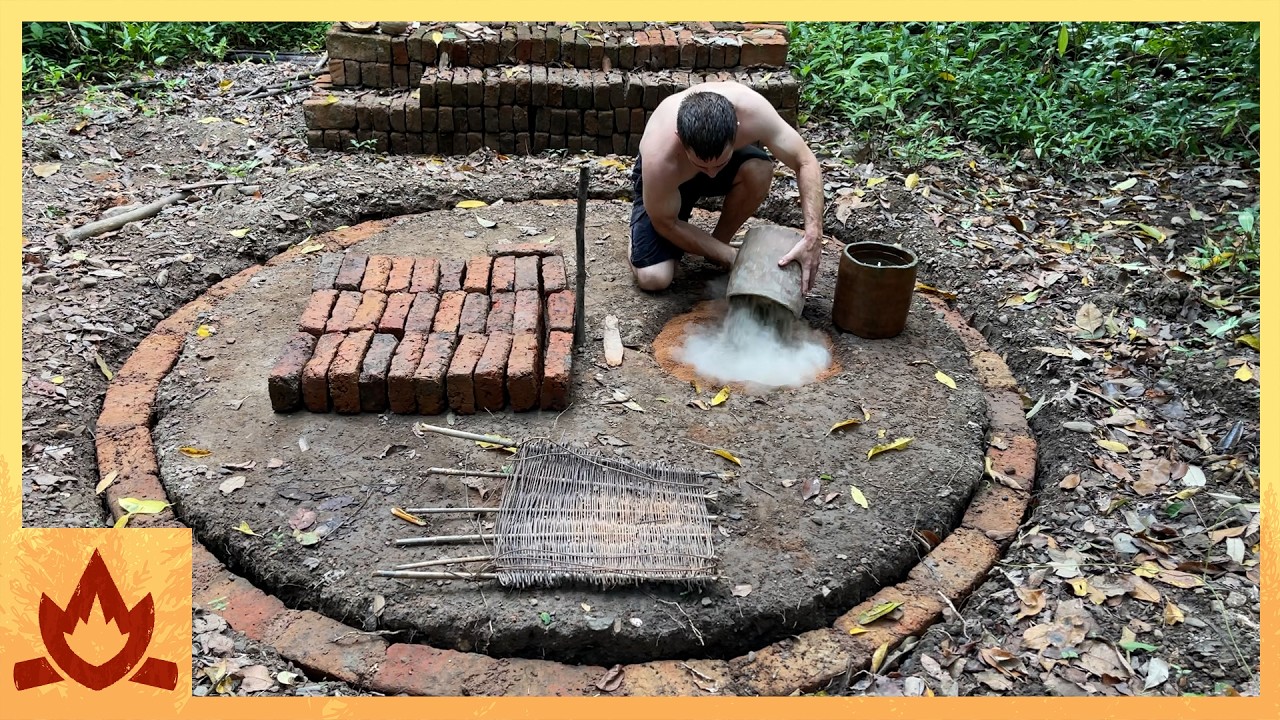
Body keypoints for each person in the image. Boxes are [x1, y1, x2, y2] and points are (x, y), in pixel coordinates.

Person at [628, 81, 824, 293]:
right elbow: (666, 224)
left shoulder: (752, 111)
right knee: (654, 278)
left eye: (719, 164)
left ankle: (718, 241)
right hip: (671, 182)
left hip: (698, 161)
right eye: (702, 165)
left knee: (759, 170)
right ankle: (635, 241)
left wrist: (813, 236)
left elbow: (805, 161)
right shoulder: (659, 158)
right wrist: (731, 257)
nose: (712, 174)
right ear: (680, 138)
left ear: (736, 130)